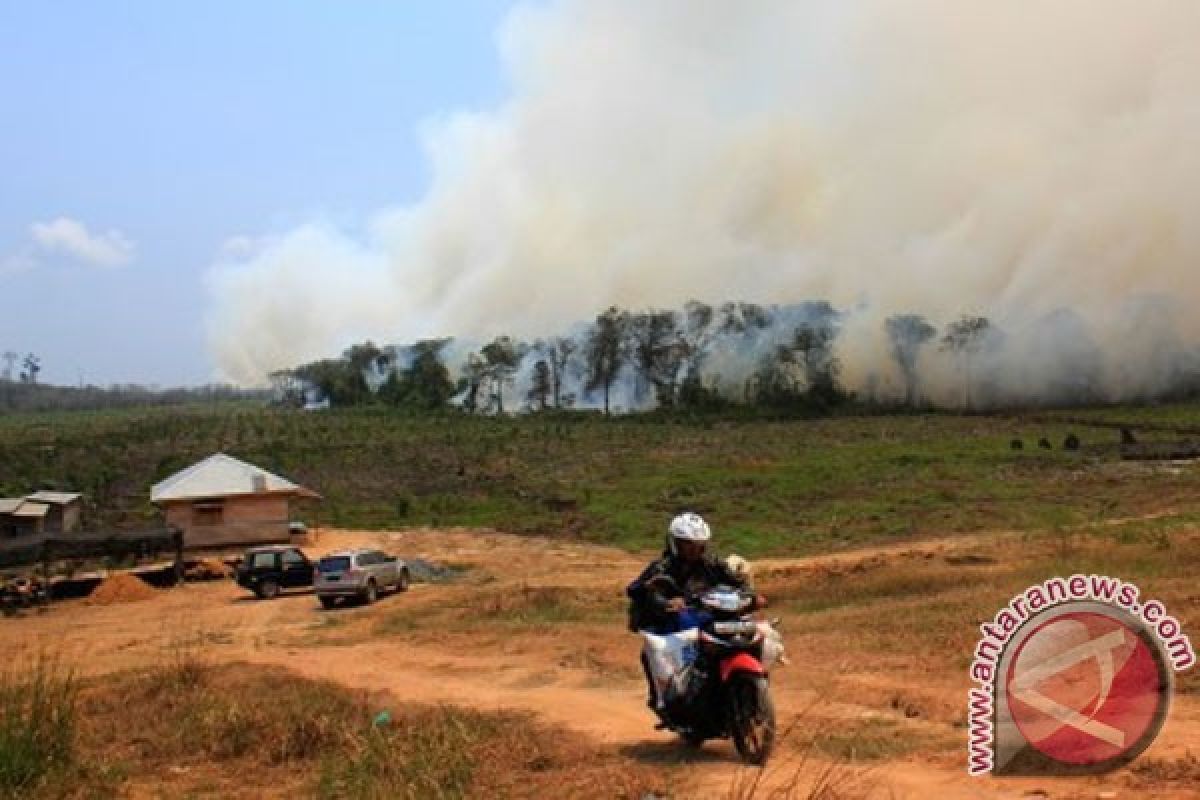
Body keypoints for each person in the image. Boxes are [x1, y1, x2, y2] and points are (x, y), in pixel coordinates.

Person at [626, 512, 748, 634]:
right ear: (676, 543)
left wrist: (751, 597)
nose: (695, 549)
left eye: (699, 544)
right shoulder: (661, 567)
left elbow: (738, 584)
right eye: (688, 543)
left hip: (705, 619)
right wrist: (662, 598)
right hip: (667, 624)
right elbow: (633, 590)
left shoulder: (713, 564)